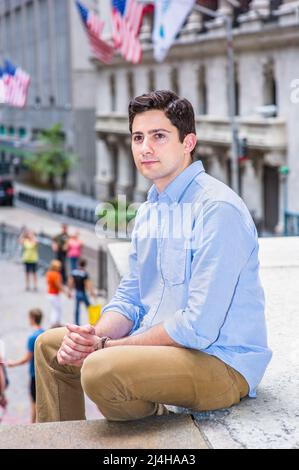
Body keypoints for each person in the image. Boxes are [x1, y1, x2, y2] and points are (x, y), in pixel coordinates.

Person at [35, 90, 272, 423]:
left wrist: (105, 349)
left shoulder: (217, 209)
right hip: (166, 352)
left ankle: (152, 423)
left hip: (220, 362)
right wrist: (94, 336)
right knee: (50, 347)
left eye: (159, 136)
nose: (145, 148)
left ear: (188, 142)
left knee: (100, 370)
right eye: (138, 137)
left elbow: (198, 327)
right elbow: (131, 298)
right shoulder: (149, 212)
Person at [7, 309, 44, 423]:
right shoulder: (44, 333)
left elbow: (27, 358)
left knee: (34, 402)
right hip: (43, 372)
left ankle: (32, 425)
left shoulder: (32, 337)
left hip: (34, 374)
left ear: (32, 318)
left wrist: (13, 363)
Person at [68, 258, 96, 325]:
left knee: (77, 309)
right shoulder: (85, 274)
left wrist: (69, 291)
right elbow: (87, 284)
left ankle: (77, 323)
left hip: (77, 292)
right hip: (83, 293)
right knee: (89, 307)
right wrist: (92, 293)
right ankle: (93, 321)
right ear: (85, 265)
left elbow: (71, 282)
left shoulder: (74, 272)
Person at [46, 260, 64, 328]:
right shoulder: (56, 275)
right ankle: (55, 323)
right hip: (55, 294)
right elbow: (58, 285)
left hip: (50, 293)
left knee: (55, 308)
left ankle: (55, 322)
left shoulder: (49, 273)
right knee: (57, 309)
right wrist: (65, 291)